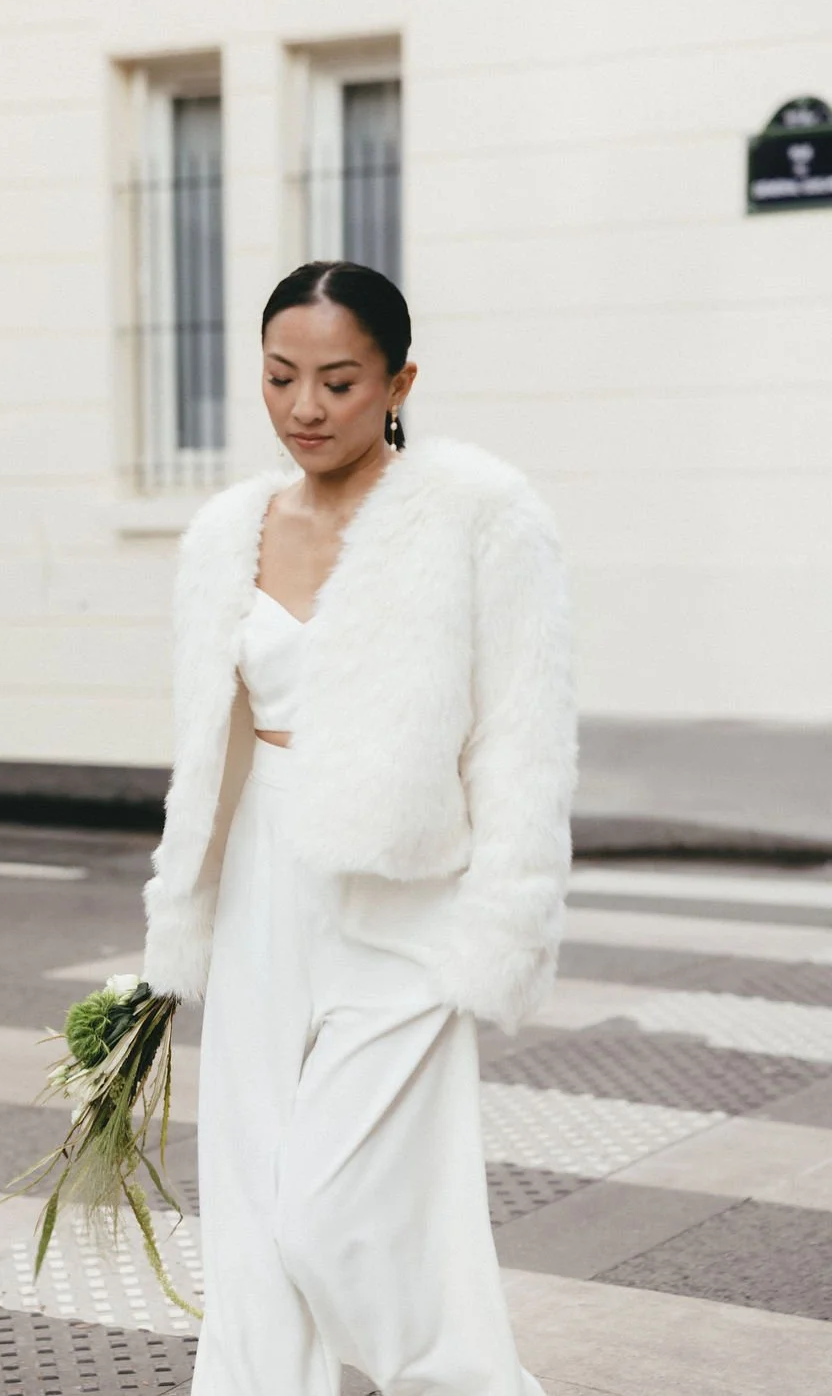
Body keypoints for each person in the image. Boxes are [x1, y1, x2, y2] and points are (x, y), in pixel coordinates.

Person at [141, 260, 578, 1396]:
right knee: (247, 1220)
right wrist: (183, 908)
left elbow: (522, 739)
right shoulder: (226, 530)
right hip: (257, 891)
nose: (304, 407)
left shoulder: (480, 514)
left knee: (339, 1216)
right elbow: (209, 749)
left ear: (398, 380)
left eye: (338, 380)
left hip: (407, 896)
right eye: (281, 377)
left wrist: (507, 925)